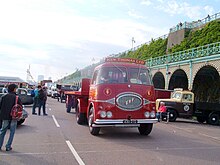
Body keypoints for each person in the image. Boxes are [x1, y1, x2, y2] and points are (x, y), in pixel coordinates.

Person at [0, 84, 22, 151]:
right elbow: (20, 107)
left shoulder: (3, 96)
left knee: (3, 131)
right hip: (13, 117)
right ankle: (8, 146)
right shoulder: (16, 97)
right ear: (14, 89)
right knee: (12, 132)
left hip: (5, 116)